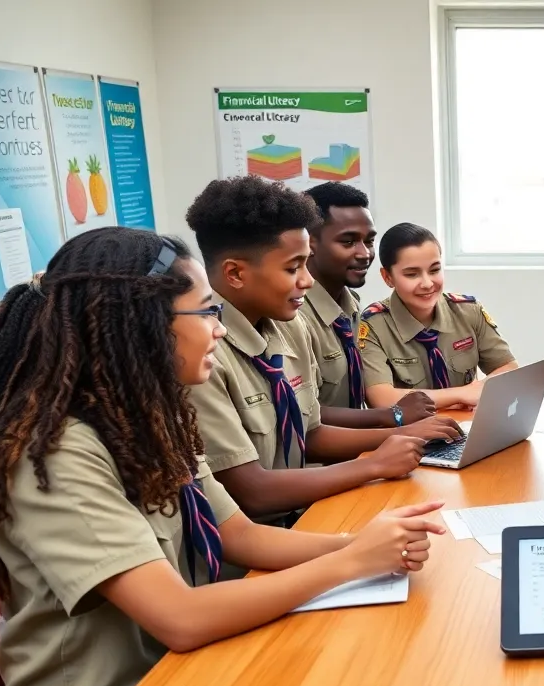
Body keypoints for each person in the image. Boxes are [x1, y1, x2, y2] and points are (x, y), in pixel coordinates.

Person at [0, 227, 446, 686]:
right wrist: (351, 561)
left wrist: (370, 546)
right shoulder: (56, 452)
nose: (217, 330)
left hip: (178, 682)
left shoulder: (151, 417)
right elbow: (180, 617)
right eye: (206, 313)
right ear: (146, 326)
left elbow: (240, 535)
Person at [184, 177, 461, 524]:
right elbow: (252, 492)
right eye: (292, 268)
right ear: (236, 273)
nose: (307, 280)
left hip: (309, 509)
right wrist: (374, 461)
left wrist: (400, 434)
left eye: (306, 262)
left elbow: (310, 432)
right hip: (256, 541)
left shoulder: (289, 325)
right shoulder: (201, 355)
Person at [299, 182, 435, 427]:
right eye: (348, 242)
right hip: (320, 462)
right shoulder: (294, 314)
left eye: (369, 241)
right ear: (310, 244)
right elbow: (305, 416)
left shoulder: (351, 304)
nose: (365, 253)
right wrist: (393, 416)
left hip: (359, 448)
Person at [360, 223, 518, 410]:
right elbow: (382, 398)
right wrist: (462, 394)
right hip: (410, 434)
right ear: (387, 277)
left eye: (434, 270)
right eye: (412, 274)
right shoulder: (373, 326)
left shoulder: (468, 311)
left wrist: (476, 392)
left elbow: (509, 369)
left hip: (467, 427)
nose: (427, 283)